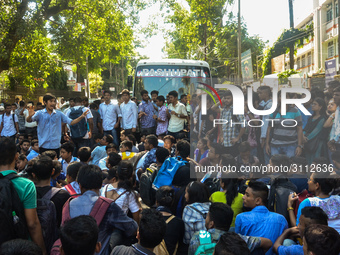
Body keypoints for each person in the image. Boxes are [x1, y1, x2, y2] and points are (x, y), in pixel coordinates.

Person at [64, 164, 138, 255]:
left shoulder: (68, 203)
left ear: (80, 185)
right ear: (100, 186)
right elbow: (132, 228)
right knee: (117, 230)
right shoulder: (107, 205)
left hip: (70, 251)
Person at [0, 138, 46, 253]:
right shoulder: (26, 185)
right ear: (16, 156)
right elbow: (32, 224)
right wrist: (42, 250)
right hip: (19, 246)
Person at [189, 203, 272, 255]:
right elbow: (268, 243)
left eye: (206, 216)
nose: (205, 219)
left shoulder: (197, 237)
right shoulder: (238, 240)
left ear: (211, 224)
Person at [235, 180, 288, 255]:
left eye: (247, 195)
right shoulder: (281, 219)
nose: (243, 197)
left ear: (258, 200)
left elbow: (237, 246)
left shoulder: (241, 218)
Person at [31, 156, 70, 227]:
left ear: (33, 175)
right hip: (56, 236)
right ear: (53, 171)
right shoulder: (63, 195)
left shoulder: (28, 194)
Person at [155, 186, 186, 255]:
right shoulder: (178, 223)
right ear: (172, 203)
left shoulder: (147, 217)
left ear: (156, 202)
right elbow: (181, 245)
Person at [218, 90, 245, 157]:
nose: (226, 100)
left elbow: (244, 124)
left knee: (234, 162)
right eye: (225, 98)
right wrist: (221, 135)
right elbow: (220, 123)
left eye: (228, 98)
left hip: (234, 144)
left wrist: (238, 138)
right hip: (224, 142)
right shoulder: (223, 110)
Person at [303, 97, 327, 164]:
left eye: (315, 104)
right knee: (308, 160)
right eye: (312, 104)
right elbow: (306, 128)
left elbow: (316, 131)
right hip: (308, 142)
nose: (312, 105)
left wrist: (306, 139)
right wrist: (303, 136)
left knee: (315, 160)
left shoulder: (323, 118)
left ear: (320, 106)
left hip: (317, 143)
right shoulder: (311, 117)